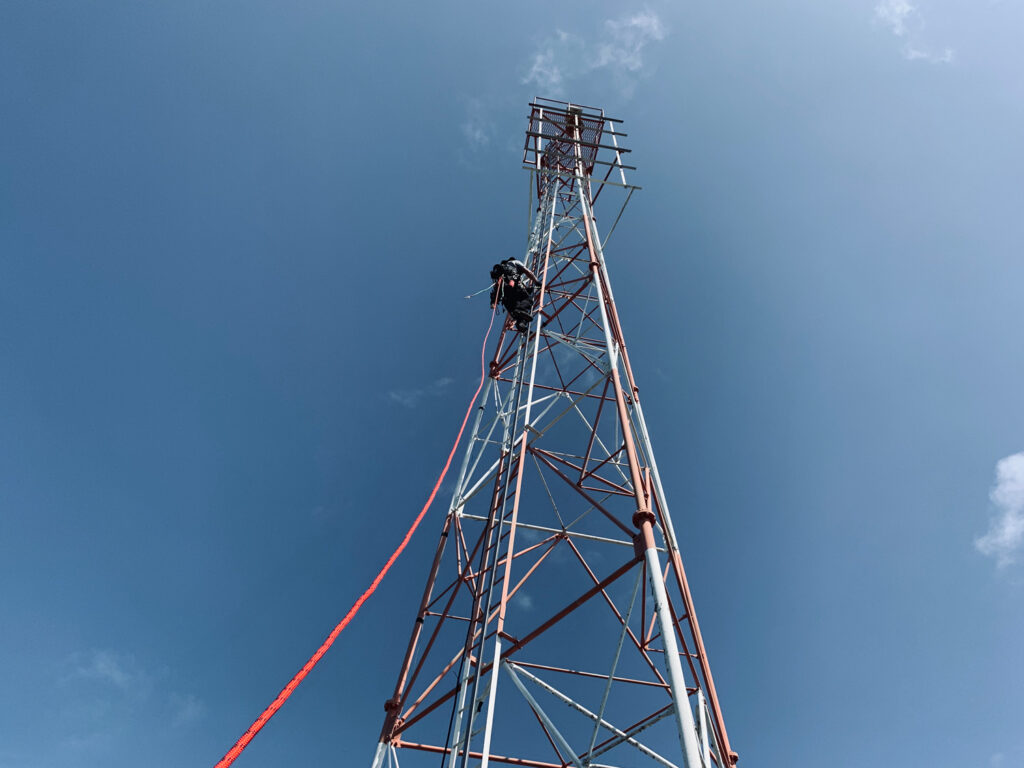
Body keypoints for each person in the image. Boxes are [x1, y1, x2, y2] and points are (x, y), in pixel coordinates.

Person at [489, 258, 540, 333]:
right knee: (527, 300)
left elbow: (496, 292)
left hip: (506, 297)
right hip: (513, 287)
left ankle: (521, 324)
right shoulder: (515, 262)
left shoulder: (501, 276)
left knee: (519, 313)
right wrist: (536, 281)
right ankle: (519, 315)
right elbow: (527, 271)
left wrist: (493, 303)